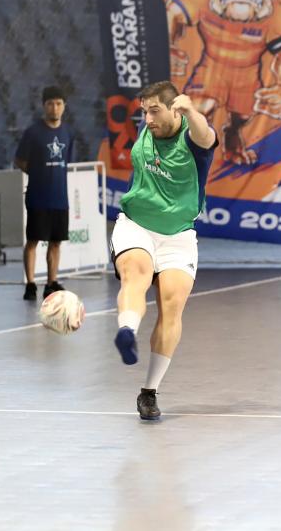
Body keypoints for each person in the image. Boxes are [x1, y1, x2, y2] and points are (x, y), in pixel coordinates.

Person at [110, 80, 217, 420]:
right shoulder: (148, 131)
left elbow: (207, 136)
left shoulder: (191, 138)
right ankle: (126, 331)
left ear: (175, 110)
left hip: (178, 234)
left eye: (155, 111)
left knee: (172, 304)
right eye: (144, 112)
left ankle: (149, 392)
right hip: (137, 224)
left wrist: (192, 112)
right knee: (136, 275)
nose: (148, 119)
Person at [15, 86, 75, 300]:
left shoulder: (68, 133)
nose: (54, 107)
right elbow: (20, 160)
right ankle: (30, 284)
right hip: (38, 197)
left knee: (56, 242)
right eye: (50, 103)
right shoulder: (33, 132)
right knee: (33, 240)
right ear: (43, 106)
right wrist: (37, 171)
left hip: (60, 197)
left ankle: (52, 282)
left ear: (64, 106)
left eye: (58, 103)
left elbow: (67, 161)